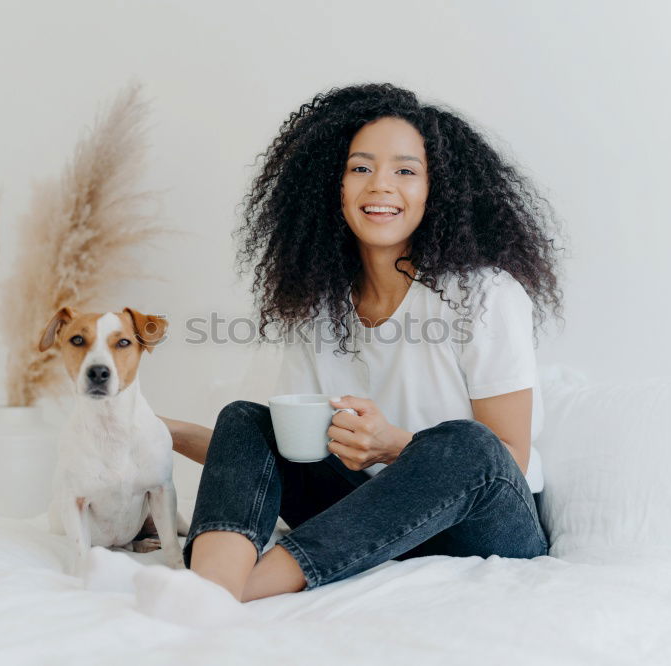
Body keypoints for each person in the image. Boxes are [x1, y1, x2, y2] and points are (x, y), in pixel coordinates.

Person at [160, 82, 565, 603]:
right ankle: (206, 585)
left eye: (405, 171)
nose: (380, 186)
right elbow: (282, 451)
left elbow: (503, 457)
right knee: (245, 418)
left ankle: (239, 592)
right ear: (333, 185)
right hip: (365, 512)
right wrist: (155, 430)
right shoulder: (319, 308)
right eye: (360, 168)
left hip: (483, 522)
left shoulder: (485, 294)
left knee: (466, 441)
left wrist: (393, 445)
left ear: (436, 189)